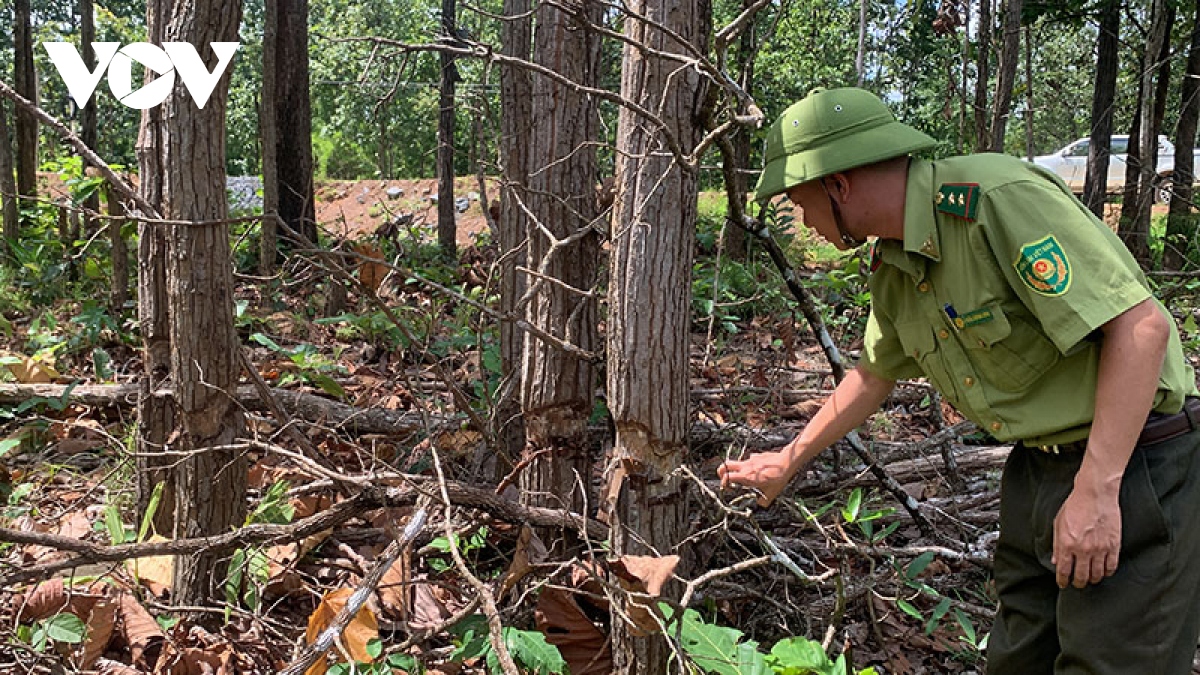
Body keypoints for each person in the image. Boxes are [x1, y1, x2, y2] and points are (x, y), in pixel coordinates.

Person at [717, 86, 1200, 674]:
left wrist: (1098, 488)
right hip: (1036, 469)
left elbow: (1140, 328)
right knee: (1017, 659)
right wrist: (787, 460)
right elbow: (873, 374)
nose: (804, 221)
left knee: (1114, 662)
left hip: (1134, 462)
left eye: (800, 202)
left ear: (836, 185)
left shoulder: (996, 200)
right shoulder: (895, 262)